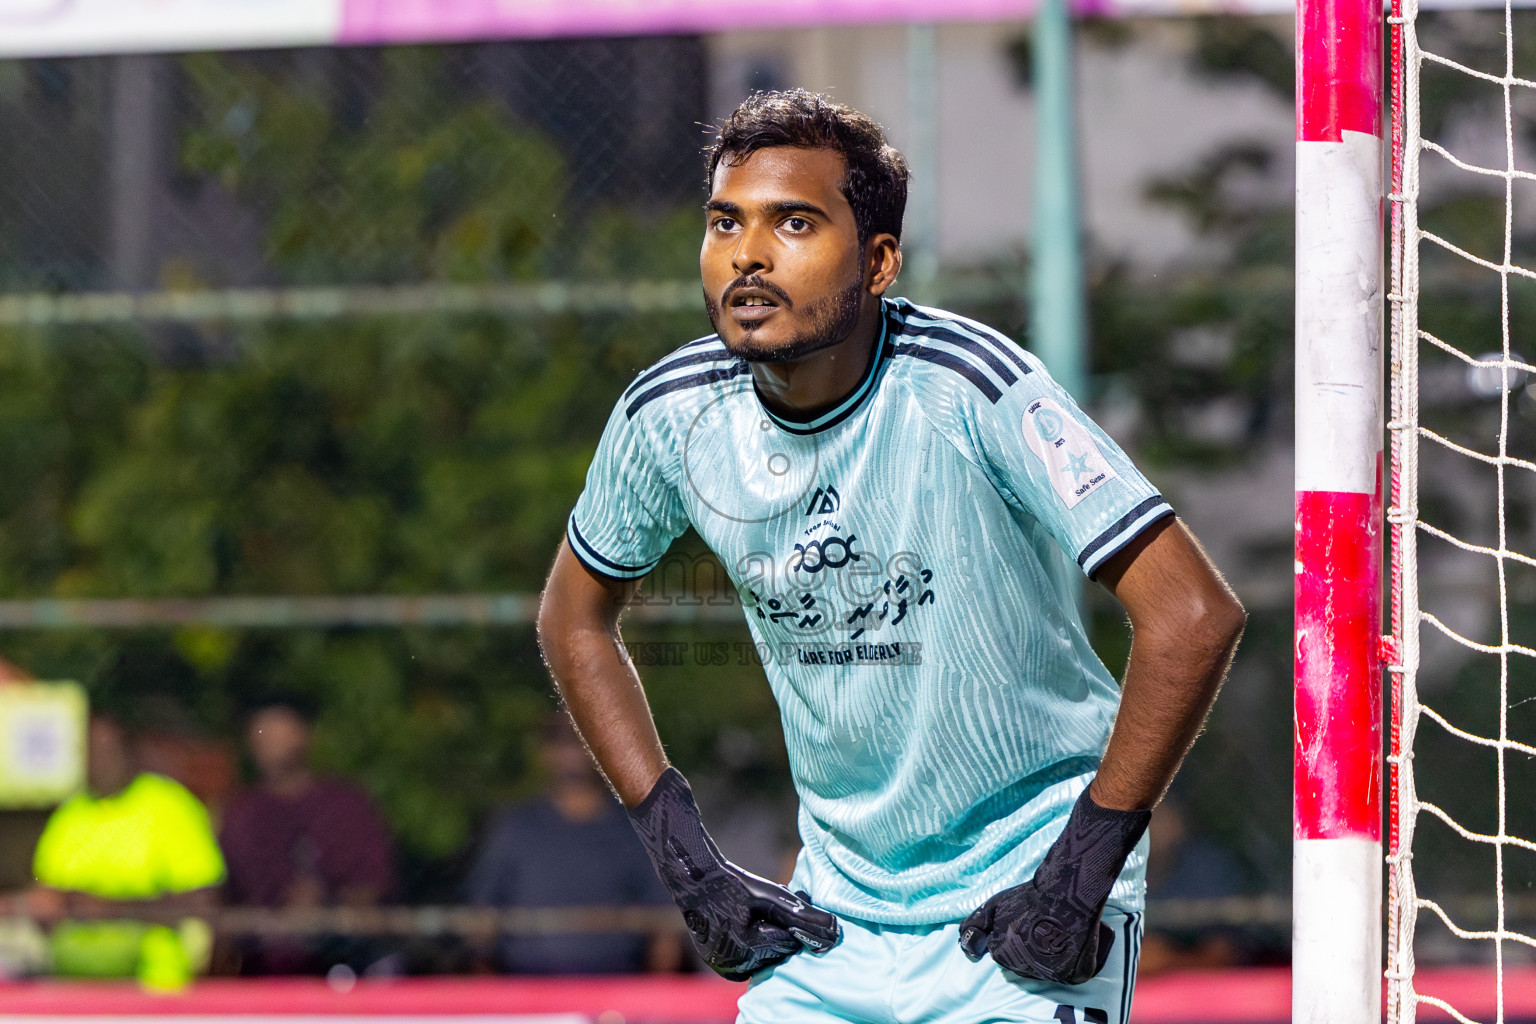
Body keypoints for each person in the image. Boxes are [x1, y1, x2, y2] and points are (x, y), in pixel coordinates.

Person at [537, 89, 1245, 1022]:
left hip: (1024, 903)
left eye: (794, 221)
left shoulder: (969, 386)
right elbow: (572, 620)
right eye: (724, 223)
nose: (748, 253)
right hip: (835, 919)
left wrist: (1082, 868)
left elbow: (1193, 614)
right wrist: (688, 863)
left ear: (877, 262)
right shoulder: (669, 414)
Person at [464, 712, 682, 974]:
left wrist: (655, 1001)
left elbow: (664, 924)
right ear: (544, 749)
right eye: (557, 738)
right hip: (527, 987)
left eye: (581, 739)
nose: (569, 750)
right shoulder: (514, 827)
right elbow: (481, 917)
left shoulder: (635, 829)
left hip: (612, 991)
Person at [22, 713, 225, 986]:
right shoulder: (71, 814)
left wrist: (113, 910)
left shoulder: (170, 806)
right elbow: (48, 892)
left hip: (154, 989)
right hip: (74, 988)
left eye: (106, 749)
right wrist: (42, 905)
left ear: (130, 753)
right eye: (90, 750)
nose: (98, 760)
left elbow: (201, 901)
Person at [218, 696, 396, 974]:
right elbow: (227, 894)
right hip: (262, 966)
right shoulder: (240, 813)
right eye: (261, 730)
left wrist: (326, 910)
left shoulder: (345, 805)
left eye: (278, 729)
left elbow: (371, 885)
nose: (269, 740)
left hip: (342, 962)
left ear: (304, 734)